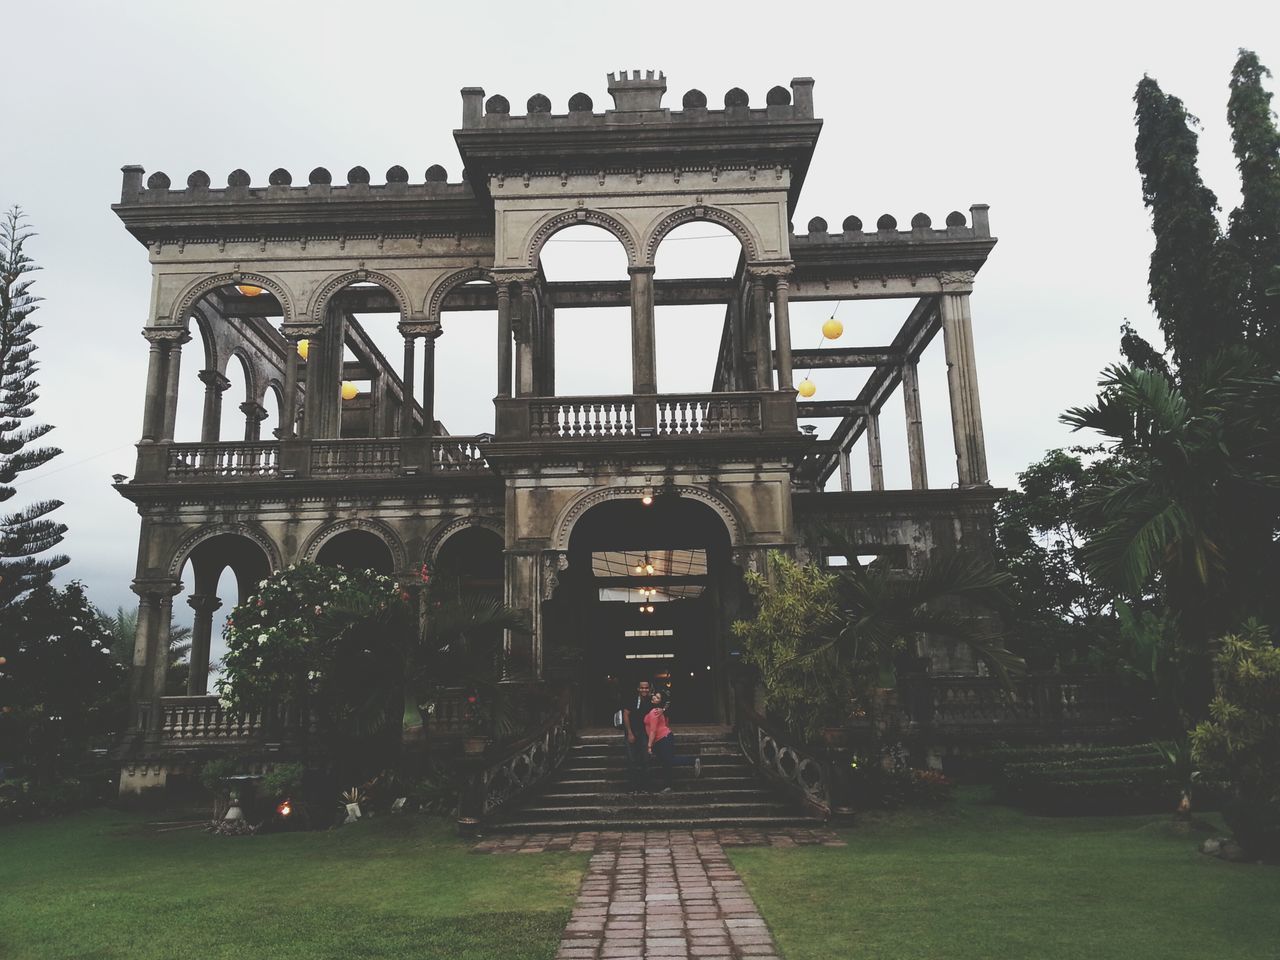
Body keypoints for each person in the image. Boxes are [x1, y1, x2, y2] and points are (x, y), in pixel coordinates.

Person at [645, 691, 702, 792]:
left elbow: (653, 730)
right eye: (654, 696)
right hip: (660, 740)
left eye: (658, 698)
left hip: (663, 738)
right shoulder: (657, 710)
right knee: (665, 763)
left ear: (660, 702)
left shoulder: (655, 712)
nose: (654, 697)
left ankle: (693, 760)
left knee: (669, 760)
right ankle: (668, 786)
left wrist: (649, 746)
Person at [621, 678, 654, 794]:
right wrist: (629, 732)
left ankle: (645, 788)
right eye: (642, 687)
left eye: (646, 688)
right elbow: (626, 715)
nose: (644, 689)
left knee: (646, 760)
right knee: (632, 760)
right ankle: (633, 788)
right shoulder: (632, 699)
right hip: (633, 732)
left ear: (649, 689)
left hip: (645, 734)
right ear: (638, 689)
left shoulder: (651, 701)